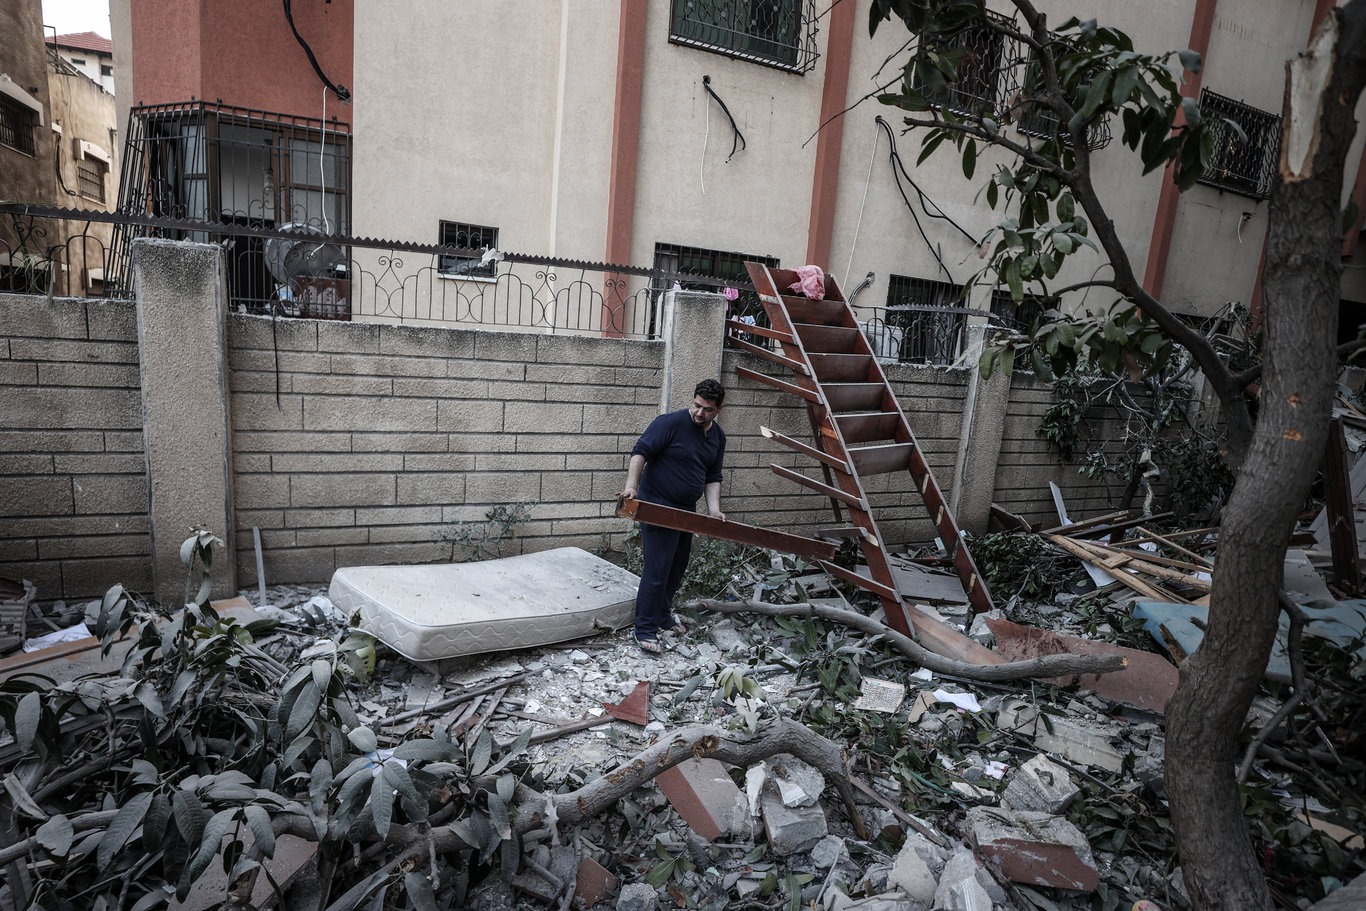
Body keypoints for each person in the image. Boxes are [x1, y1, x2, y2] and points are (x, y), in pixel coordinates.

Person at [619, 379, 726, 654]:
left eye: (708, 410)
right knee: (657, 568)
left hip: (685, 511)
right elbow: (640, 452)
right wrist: (632, 486)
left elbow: (713, 476)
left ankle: (663, 616)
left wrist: (713, 510)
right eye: (696, 405)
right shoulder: (669, 423)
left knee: (677, 567)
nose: (699, 413)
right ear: (692, 400)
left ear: (718, 410)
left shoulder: (718, 437)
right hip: (657, 506)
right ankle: (644, 628)